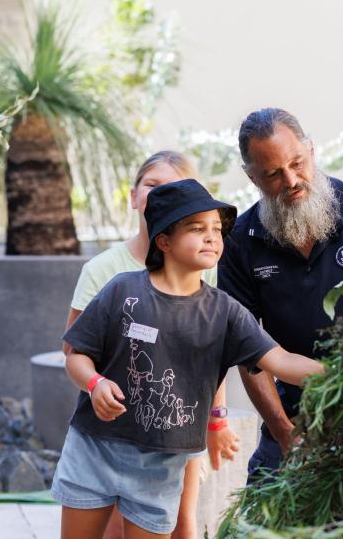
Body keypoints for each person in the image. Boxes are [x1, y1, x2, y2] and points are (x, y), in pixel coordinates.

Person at [53, 178, 324, 539]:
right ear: (164, 240)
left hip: (162, 468)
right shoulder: (122, 290)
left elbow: (283, 362)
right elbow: (75, 356)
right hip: (93, 451)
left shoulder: (226, 313)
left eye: (217, 228)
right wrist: (95, 383)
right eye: (197, 228)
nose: (212, 236)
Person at [217, 108, 343, 480]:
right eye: (272, 174)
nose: (291, 180)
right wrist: (285, 432)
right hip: (291, 410)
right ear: (251, 176)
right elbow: (247, 349)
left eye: (297, 163)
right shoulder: (239, 242)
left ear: (311, 150)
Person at [62, 151, 239, 539]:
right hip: (110, 432)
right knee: (109, 526)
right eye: (152, 185)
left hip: (176, 428)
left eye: (174, 188)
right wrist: (96, 386)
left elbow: (212, 357)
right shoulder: (104, 271)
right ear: (134, 196)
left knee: (181, 523)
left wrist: (217, 418)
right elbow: (73, 348)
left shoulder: (202, 270)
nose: (161, 195)